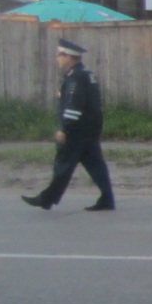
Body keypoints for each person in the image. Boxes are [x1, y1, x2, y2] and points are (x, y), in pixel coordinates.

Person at [22, 38, 114, 211]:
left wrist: (65, 128)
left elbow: (73, 104)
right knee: (95, 165)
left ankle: (46, 199)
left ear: (68, 57)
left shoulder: (76, 77)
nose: (57, 58)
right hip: (90, 129)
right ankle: (107, 198)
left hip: (76, 131)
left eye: (60, 55)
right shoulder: (87, 73)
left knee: (63, 165)